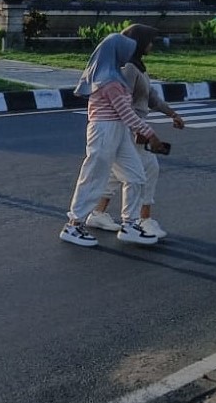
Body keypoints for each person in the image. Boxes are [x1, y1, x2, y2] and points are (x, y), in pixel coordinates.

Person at [59, 30, 166, 247]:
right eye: (126, 50)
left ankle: (130, 225)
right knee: (94, 178)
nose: (130, 53)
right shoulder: (109, 80)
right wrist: (150, 135)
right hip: (105, 130)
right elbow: (125, 112)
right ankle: (73, 225)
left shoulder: (115, 75)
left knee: (136, 175)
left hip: (118, 131)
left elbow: (125, 115)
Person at [85, 24, 186, 239]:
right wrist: (140, 131)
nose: (151, 45)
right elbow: (124, 103)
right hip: (132, 127)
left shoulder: (139, 66)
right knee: (148, 170)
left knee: (116, 173)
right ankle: (143, 219)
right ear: (137, 43)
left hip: (134, 125)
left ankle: (97, 213)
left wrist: (172, 114)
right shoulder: (129, 69)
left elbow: (151, 97)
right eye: (149, 41)